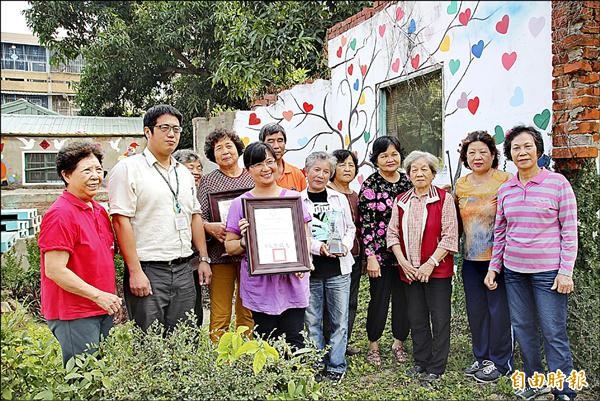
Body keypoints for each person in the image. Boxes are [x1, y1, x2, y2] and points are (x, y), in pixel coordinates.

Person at [485, 126, 578, 401]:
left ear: (538, 148)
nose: (522, 152)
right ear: (509, 154)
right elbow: (500, 232)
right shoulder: (506, 189)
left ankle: (565, 391)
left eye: (527, 146)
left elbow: (569, 230)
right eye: (516, 148)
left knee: (553, 331)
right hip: (514, 272)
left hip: (548, 273)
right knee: (524, 329)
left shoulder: (558, 184)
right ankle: (535, 381)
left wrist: (565, 271)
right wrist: (494, 267)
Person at [108, 104, 212, 332]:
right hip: (149, 270)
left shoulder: (184, 173)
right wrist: (135, 271)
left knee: (186, 341)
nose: (172, 134)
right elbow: (120, 221)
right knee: (150, 341)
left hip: (185, 269)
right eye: (164, 128)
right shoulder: (128, 169)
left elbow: (194, 215)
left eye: (176, 129)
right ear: (148, 132)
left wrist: (203, 258)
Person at [38, 141, 122, 366]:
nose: (95, 176)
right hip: (74, 312)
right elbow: (55, 270)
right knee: (84, 380)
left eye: (98, 170)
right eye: (87, 170)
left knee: (103, 377)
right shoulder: (60, 214)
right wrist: (98, 295)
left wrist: (108, 299)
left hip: (101, 307)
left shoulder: (98, 210)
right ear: (67, 175)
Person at [224, 142, 311, 349]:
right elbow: (230, 247)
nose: (266, 168)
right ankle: (271, 382)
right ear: (248, 170)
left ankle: (294, 381)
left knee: (295, 339)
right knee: (266, 341)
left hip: (292, 281)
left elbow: (305, 238)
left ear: (278, 164)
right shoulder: (241, 204)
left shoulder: (293, 199)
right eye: (258, 164)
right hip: (260, 286)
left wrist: (303, 262)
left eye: (270, 162)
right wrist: (246, 241)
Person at [387, 150, 459, 385]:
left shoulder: (443, 198)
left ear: (433, 173)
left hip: (436, 271)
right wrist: (403, 262)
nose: (419, 173)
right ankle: (421, 361)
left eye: (424, 169)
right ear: (408, 174)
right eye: (414, 170)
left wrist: (430, 264)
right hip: (409, 271)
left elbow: (450, 237)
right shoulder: (402, 201)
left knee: (439, 319)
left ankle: (436, 367)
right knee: (416, 318)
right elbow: (392, 234)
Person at [455, 131, 514, 383]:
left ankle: (501, 362)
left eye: (483, 152)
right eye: (471, 153)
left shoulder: (506, 180)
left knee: (498, 311)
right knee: (476, 311)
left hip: (498, 259)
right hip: (470, 259)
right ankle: (482, 357)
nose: (477, 157)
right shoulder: (461, 184)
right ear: (465, 158)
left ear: (493, 154)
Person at [301, 151, 356, 383]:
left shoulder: (338, 199)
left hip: (339, 270)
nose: (321, 175)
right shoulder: (297, 200)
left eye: (326, 171)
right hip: (312, 269)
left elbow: (350, 228)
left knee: (339, 320)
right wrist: (318, 248)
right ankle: (316, 363)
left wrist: (344, 245)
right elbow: (298, 233)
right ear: (306, 172)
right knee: (312, 321)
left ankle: (336, 365)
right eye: (316, 170)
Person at [358, 135, 412, 366]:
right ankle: (374, 345)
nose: (390, 159)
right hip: (380, 256)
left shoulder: (409, 182)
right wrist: (370, 256)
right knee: (378, 300)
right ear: (375, 159)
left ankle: (399, 343)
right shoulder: (370, 185)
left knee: (404, 301)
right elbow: (366, 224)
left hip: (406, 256)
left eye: (394, 154)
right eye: (384, 155)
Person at [198, 128, 255, 342]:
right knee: (220, 311)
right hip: (219, 254)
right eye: (218, 148)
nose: (225, 151)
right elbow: (199, 216)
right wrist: (210, 226)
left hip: (250, 255)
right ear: (213, 155)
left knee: (247, 308)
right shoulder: (208, 181)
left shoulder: (252, 176)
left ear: (238, 149)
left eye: (229, 146)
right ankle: (219, 357)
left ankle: (245, 352)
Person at [327, 149, 362, 356]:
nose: (347, 169)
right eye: (342, 165)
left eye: (351, 165)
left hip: (354, 256)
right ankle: (327, 344)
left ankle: (343, 343)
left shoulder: (355, 195)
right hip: (331, 257)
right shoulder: (327, 193)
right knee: (330, 302)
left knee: (350, 301)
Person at [173, 148, 205, 327]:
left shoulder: (202, 190)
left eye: (199, 167)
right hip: (175, 260)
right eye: (190, 167)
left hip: (194, 261)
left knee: (194, 310)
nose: (196, 172)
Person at [259, 123, 306, 191]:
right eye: (271, 141)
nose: (276, 146)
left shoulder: (296, 174)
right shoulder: (255, 174)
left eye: (280, 141)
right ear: (262, 144)